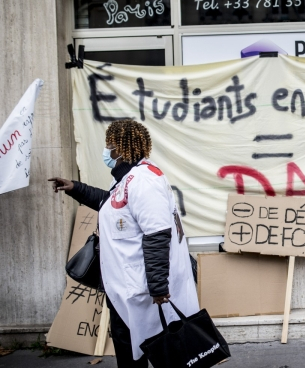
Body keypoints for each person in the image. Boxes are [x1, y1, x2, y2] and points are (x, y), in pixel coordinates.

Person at [49, 120, 199, 367]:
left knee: (159, 351)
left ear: (120, 147)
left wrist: (158, 286)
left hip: (142, 289)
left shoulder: (144, 180)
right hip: (126, 288)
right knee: (131, 350)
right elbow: (112, 203)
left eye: (109, 144)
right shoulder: (129, 178)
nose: (106, 149)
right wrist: (76, 188)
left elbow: (157, 234)